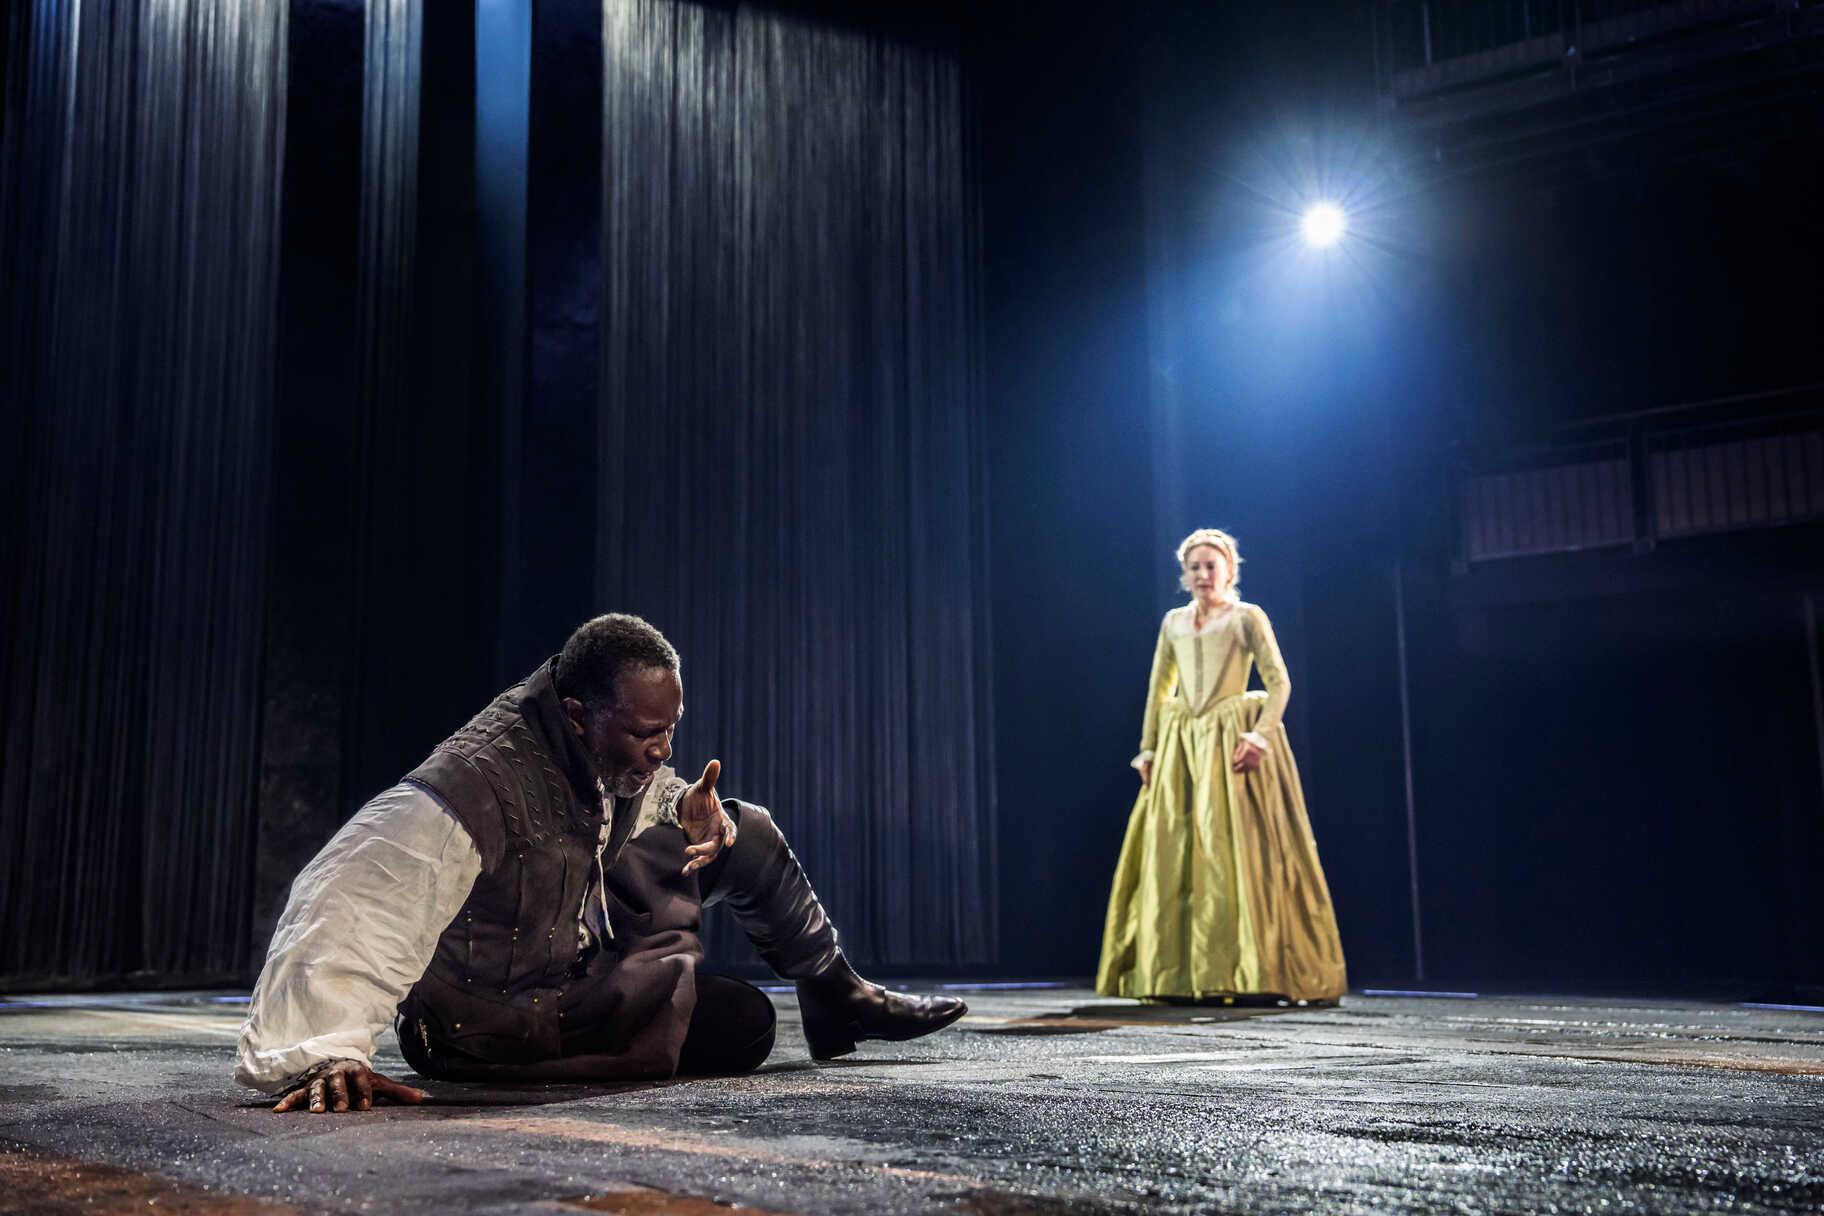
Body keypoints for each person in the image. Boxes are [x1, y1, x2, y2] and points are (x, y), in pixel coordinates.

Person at [236, 613, 967, 1114]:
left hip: (564, 943)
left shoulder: (594, 746)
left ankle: (838, 994)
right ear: (579, 715)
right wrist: (328, 1052)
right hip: (491, 1018)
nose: (663, 750)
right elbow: (349, 895)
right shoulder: (476, 784)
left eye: (671, 730)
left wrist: (686, 807)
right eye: (647, 733)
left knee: (744, 830)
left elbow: (623, 807)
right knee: (743, 1024)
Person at [1096, 529, 1346, 1004]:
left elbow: (1279, 682)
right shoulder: (1174, 622)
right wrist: (1148, 749)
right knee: (1179, 853)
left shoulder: (1247, 616)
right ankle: (1181, 978)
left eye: (1211, 565)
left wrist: (1260, 735)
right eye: (1194, 567)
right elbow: (1159, 689)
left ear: (1230, 569)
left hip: (1231, 741)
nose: (1203, 574)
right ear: (1184, 574)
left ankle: (1249, 972)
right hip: (1182, 745)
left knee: (1235, 853)